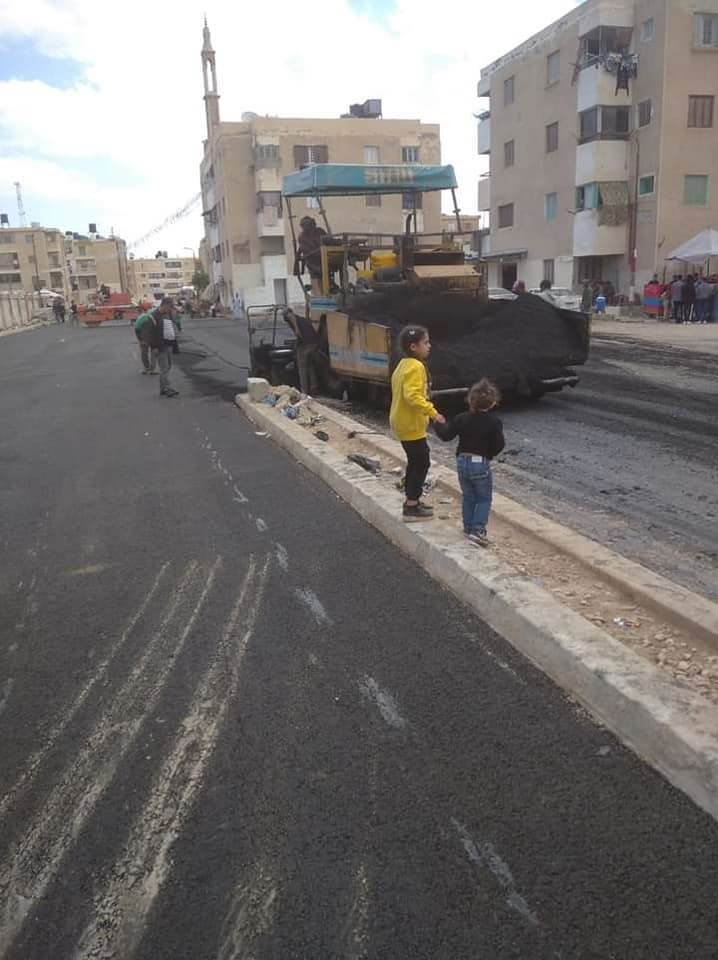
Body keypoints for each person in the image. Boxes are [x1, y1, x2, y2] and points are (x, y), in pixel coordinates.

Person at [434, 379, 505, 547]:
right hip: (480, 462)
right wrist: (489, 454)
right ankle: (477, 530)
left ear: (470, 400)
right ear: (493, 402)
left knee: (468, 496)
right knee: (484, 498)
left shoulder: (462, 418)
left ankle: (467, 528)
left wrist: (438, 423)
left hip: (462, 461)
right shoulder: (494, 422)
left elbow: (446, 435)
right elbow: (499, 444)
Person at [389, 325, 445, 522]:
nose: (429, 346)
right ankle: (411, 506)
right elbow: (412, 396)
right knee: (421, 462)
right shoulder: (416, 366)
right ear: (413, 347)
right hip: (410, 424)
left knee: (415, 461)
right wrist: (433, 413)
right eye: (425, 343)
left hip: (402, 421)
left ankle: (412, 500)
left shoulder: (402, 365)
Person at [147, 298, 181, 397]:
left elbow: (173, 325)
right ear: (164, 305)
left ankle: (163, 388)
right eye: (170, 307)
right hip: (159, 346)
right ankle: (167, 388)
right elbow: (150, 334)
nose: (170, 309)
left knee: (168, 366)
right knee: (164, 368)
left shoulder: (169, 314)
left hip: (169, 344)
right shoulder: (153, 316)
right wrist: (154, 347)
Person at [284, 308, 321, 395]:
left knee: (302, 368)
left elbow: (291, 317)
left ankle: (304, 391)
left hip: (306, 344)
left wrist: (297, 330)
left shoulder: (292, 319)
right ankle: (314, 388)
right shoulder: (302, 319)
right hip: (314, 344)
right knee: (310, 366)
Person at [295, 216, 327, 294]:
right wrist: (298, 255)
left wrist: (306, 255)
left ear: (312, 225)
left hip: (323, 259)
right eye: (303, 226)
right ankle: (319, 291)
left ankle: (323, 290)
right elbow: (301, 247)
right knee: (316, 279)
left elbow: (323, 246)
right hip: (311, 262)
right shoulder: (302, 236)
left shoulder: (319, 232)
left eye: (308, 226)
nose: (305, 228)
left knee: (323, 276)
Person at [134, 308, 159, 375]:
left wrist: (140, 340)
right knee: (151, 353)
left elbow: (137, 329)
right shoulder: (148, 318)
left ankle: (147, 368)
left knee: (145, 353)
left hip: (146, 339)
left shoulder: (141, 318)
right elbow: (156, 327)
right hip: (150, 339)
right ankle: (151, 369)